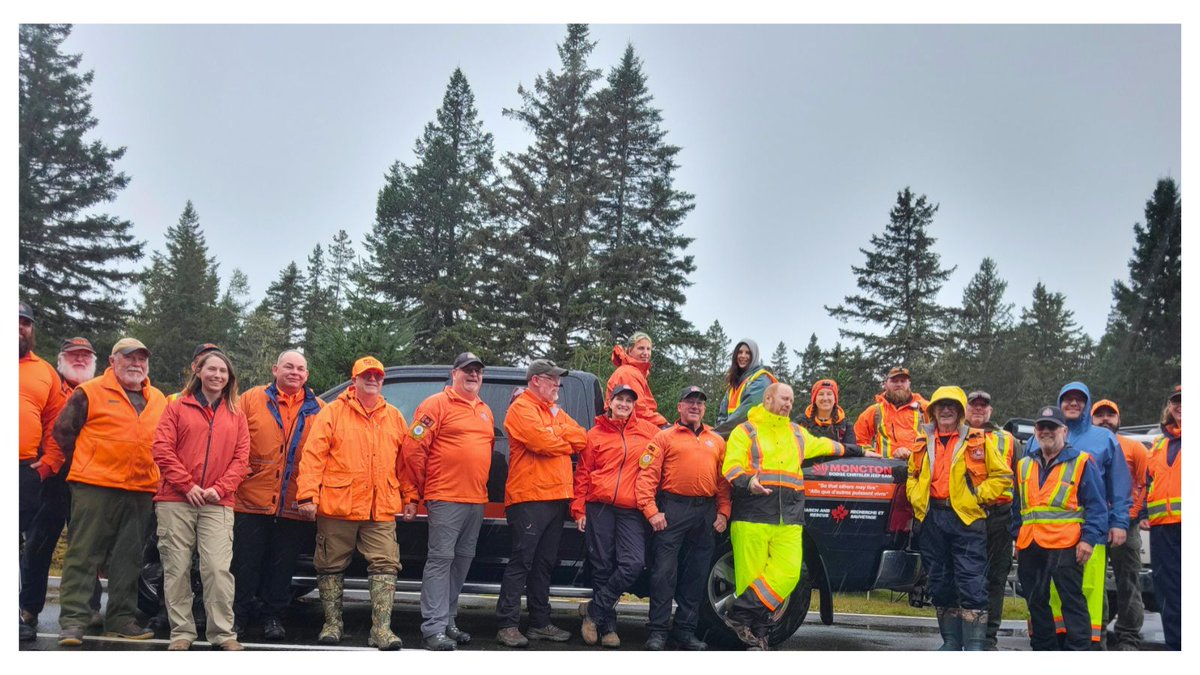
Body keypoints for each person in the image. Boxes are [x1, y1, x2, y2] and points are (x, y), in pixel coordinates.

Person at [722, 382, 868, 650]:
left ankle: (738, 613)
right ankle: (758, 638)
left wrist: (860, 451)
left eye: (791, 400)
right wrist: (747, 482)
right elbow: (729, 466)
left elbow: (828, 445)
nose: (789, 404)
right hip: (752, 513)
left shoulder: (798, 434)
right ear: (768, 399)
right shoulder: (746, 431)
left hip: (789, 517)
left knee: (789, 573)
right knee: (751, 579)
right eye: (784, 398)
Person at [52, 337, 167, 646]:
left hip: (141, 489)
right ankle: (74, 621)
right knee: (83, 554)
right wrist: (88, 462)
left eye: (141, 359)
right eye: (128, 358)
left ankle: (120, 619)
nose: (136, 364)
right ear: (112, 361)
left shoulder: (158, 398)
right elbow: (63, 432)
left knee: (129, 559)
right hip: (95, 486)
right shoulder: (88, 392)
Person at [296, 356, 416, 650]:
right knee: (329, 565)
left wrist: (410, 496)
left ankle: (381, 630)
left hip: (380, 506)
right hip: (338, 504)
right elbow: (313, 455)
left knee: (387, 565)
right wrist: (307, 495)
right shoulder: (333, 413)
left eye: (377, 375)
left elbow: (405, 463)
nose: (372, 379)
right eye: (366, 375)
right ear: (354, 381)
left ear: (382, 380)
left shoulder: (394, 417)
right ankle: (332, 624)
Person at [152, 349, 250, 651]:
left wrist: (219, 489)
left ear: (229, 377)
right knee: (177, 568)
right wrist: (187, 485)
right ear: (199, 372)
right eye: (212, 369)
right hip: (175, 500)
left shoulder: (237, 415)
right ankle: (181, 632)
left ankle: (222, 633)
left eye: (223, 371)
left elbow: (241, 458)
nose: (217, 375)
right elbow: (161, 448)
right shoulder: (177, 407)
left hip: (217, 503)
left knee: (217, 568)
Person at [1024, 382, 1131, 647]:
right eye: (1067, 399)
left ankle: (1089, 648)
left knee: (1087, 595)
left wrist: (1117, 522)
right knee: (1043, 598)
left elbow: (1115, 485)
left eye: (1079, 399)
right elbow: (1023, 492)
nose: (1073, 403)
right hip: (1036, 542)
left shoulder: (1102, 439)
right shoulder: (1032, 444)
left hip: (1081, 536)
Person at [402, 352, 496, 651]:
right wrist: (420, 489)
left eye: (478, 371)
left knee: (461, 562)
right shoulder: (435, 405)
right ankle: (432, 628)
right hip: (445, 498)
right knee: (441, 562)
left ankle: (448, 621)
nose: (473, 376)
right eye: (467, 370)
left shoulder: (484, 410)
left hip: (476, 500)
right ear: (453, 373)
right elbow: (413, 449)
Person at [906, 386, 1011, 650]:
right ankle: (951, 642)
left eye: (952, 406)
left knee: (972, 582)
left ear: (961, 412)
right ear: (933, 411)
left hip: (966, 520)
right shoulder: (922, 441)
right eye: (941, 406)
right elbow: (912, 476)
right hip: (932, 519)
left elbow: (1002, 475)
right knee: (940, 582)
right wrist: (916, 497)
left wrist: (978, 496)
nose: (946, 410)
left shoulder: (978, 440)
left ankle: (975, 646)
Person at [231, 349, 324, 641]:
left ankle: (273, 617)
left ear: (307, 375)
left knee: (282, 567)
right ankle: (237, 618)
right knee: (244, 564)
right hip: (251, 499)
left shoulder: (319, 408)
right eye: (288, 367)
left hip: (294, 501)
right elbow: (232, 436)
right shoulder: (251, 399)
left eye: (300, 369)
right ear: (275, 369)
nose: (294, 372)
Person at [495, 359, 587, 648]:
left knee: (544, 564)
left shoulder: (553, 411)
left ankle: (539, 623)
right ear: (536, 380)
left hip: (556, 497)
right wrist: (560, 439)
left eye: (557, 379)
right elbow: (541, 443)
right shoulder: (521, 408)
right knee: (522, 561)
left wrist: (556, 436)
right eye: (552, 379)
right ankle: (507, 624)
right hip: (529, 497)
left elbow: (581, 437)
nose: (557, 384)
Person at [635, 385, 732, 651]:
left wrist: (723, 512)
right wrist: (651, 511)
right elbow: (646, 477)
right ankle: (657, 631)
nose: (695, 406)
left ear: (704, 408)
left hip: (705, 513)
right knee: (664, 574)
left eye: (700, 403)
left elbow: (723, 483)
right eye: (689, 402)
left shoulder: (717, 440)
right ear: (679, 407)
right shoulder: (664, 437)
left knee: (696, 576)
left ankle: (685, 632)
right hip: (672, 510)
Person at [20, 337, 101, 640]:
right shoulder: (48, 381)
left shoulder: (101, 390)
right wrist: (43, 465)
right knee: (39, 544)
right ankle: (28, 609)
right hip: (49, 476)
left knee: (86, 544)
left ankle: (89, 607)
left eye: (85, 355)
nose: (79, 359)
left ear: (93, 361)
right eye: (73, 354)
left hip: (88, 478)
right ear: (60, 358)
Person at [1012, 405, 1106, 651]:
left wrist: (1088, 540)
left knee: (1071, 602)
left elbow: (1096, 507)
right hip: (1030, 545)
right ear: (1035, 431)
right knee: (1036, 602)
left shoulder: (1082, 462)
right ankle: (1044, 650)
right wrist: (1017, 538)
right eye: (1041, 427)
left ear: (1064, 430)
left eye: (1052, 427)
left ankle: (1078, 652)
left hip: (1066, 545)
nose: (1046, 432)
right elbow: (1017, 507)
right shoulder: (1024, 465)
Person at [573, 384, 659, 649]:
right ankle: (608, 627)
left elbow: (672, 439)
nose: (624, 404)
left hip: (630, 509)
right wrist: (578, 508)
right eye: (619, 399)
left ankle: (593, 611)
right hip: (599, 507)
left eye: (629, 401)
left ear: (634, 406)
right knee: (602, 566)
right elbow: (583, 473)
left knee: (633, 563)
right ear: (609, 402)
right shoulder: (595, 434)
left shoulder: (647, 432)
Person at [17, 301, 68, 640]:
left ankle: (23, 613)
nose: (20, 328)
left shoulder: (44, 371)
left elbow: (56, 424)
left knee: (28, 544)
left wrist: (49, 462)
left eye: (25, 323)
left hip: (25, 470)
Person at [963, 390, 1021, 650]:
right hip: (965, 518)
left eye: (983, 406)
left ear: (990, 410)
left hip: (999, 518)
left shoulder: (1009, 440)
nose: (978, 409)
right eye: (973, 405)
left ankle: (988, 639)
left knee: (996, 579)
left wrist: (1018, 525)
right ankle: (966, 635)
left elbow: (1021, 483)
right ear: (966, 410)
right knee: (967, 578)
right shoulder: (956, 436)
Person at [1090, 397, 1148, 650]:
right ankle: (1096, 636)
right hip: (1095, 525)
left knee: (1129, 582)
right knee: (1095, 584)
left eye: (1109, 415)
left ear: (1118, 419)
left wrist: (1130, 516)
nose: (1105, 419)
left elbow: (1145, 483)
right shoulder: (1086, 445)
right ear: (1091, 419)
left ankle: (1129, 638)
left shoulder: (1134, 448)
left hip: (1126, 524)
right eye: (1099, 415)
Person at [1140, 386, 1180, 651]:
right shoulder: (1157, 443)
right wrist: (1143, 511)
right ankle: (1177, 644)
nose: (1180, 406)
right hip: (1162, 528)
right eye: (1176, 402)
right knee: (1168, 588)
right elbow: (1147, 482)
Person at [854, 366, 927, 459]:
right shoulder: (874, 411)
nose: (899, 384)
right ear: (886, 384)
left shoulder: (925, 408)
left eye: (903, 381)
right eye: (894, 381)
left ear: (909, 383)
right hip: (884, 470)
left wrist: (911, 452)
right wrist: (872, 455)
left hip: (918, 470)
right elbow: (858, 440)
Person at [714, 339, 777, 437]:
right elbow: (722, 415)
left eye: (748, 353)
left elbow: (744, 415)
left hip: (754, 440)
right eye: (740, 352)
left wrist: (716, 434)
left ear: (754, 356)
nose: (743, 356)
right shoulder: (733, 385)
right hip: (734, 439)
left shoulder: (761, 380)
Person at [607, 331, 668, 426]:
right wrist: (664, 424)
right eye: (641, 348)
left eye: (648, 349)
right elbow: (639, 411)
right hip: (628, 427)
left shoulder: (636, 372)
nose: (646, 353)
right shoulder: (628, 373)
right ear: (630, 350)